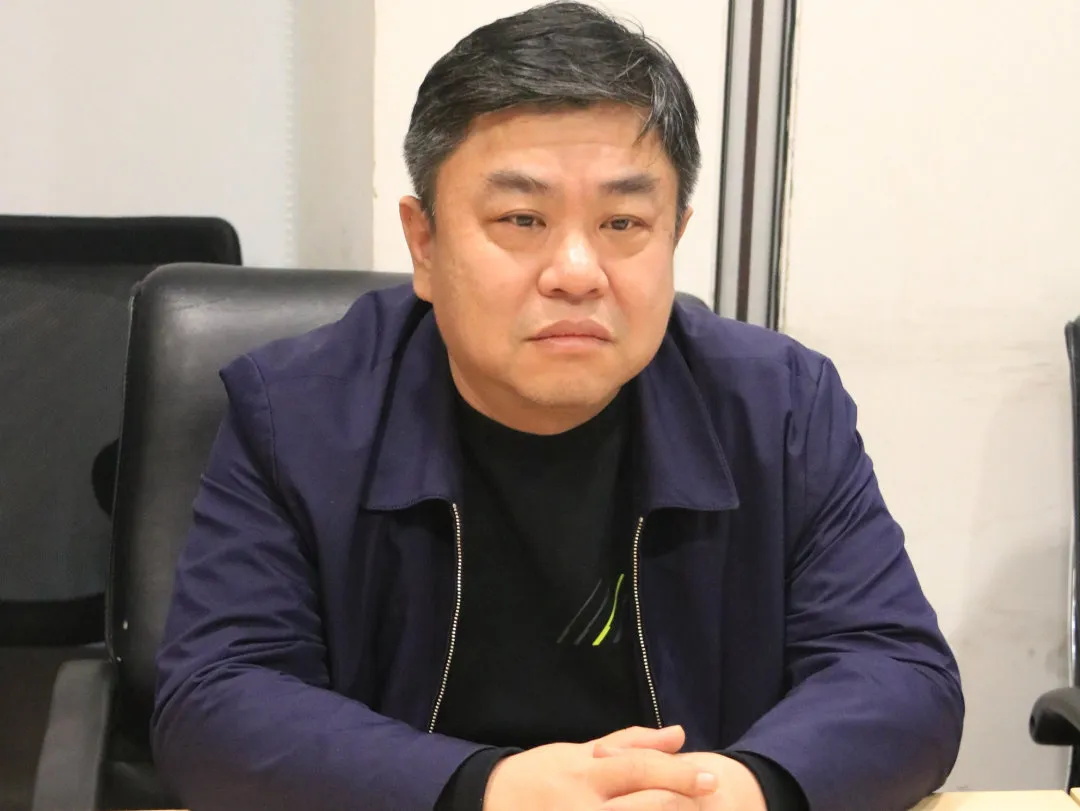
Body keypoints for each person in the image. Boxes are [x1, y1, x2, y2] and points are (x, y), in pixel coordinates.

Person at [151, 3, 964, 809]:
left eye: (623, 222)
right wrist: (490, 790)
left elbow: (900, 674)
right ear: (424, 243)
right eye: (522, 219)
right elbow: (217, 701)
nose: (576, 270)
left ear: (675, 236)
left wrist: (737, 790)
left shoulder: (779, 408)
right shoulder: (296, 415)